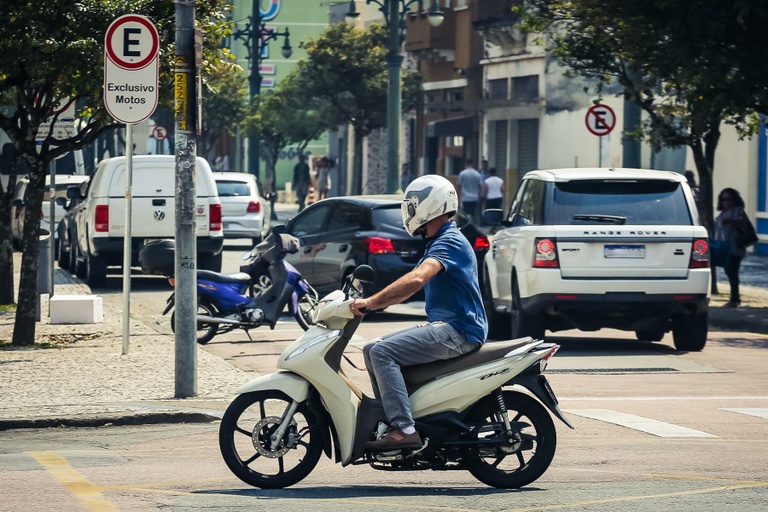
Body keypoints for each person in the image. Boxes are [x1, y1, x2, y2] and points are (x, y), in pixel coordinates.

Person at [350, 174, 488, 451]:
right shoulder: (442, 240)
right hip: (447, 326)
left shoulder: (449, 241)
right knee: (371, 348)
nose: (409, 212)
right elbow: (412, 284)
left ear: (431, 205)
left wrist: (373, 301)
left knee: (381, 352)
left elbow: (416, 280)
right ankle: (396, 418)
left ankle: (404, 428)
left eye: (414, 205)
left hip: (459, 330)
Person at [714, 188, 748, 307]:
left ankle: (734, 298)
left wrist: (730, 221)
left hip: (734, 248)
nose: (726, 202)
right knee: (729, 272)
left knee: (732, 272)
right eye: (724, 199)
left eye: (729, 199)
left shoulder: (737, 210)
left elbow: (742, 223)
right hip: (724, 248)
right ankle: (734, 298)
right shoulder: (722, 213)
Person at [457, 158, 484, 223]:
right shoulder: (477, 174)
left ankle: (468, 223)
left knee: (466, 213)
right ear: (472, 164)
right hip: (475, 198)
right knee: (473, 213)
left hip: (465, 198)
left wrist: (458, 197)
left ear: (466, 164)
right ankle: (472, 223)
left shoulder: (462, 174)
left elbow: (459, 186)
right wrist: (480, 196)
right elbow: (480, 186)